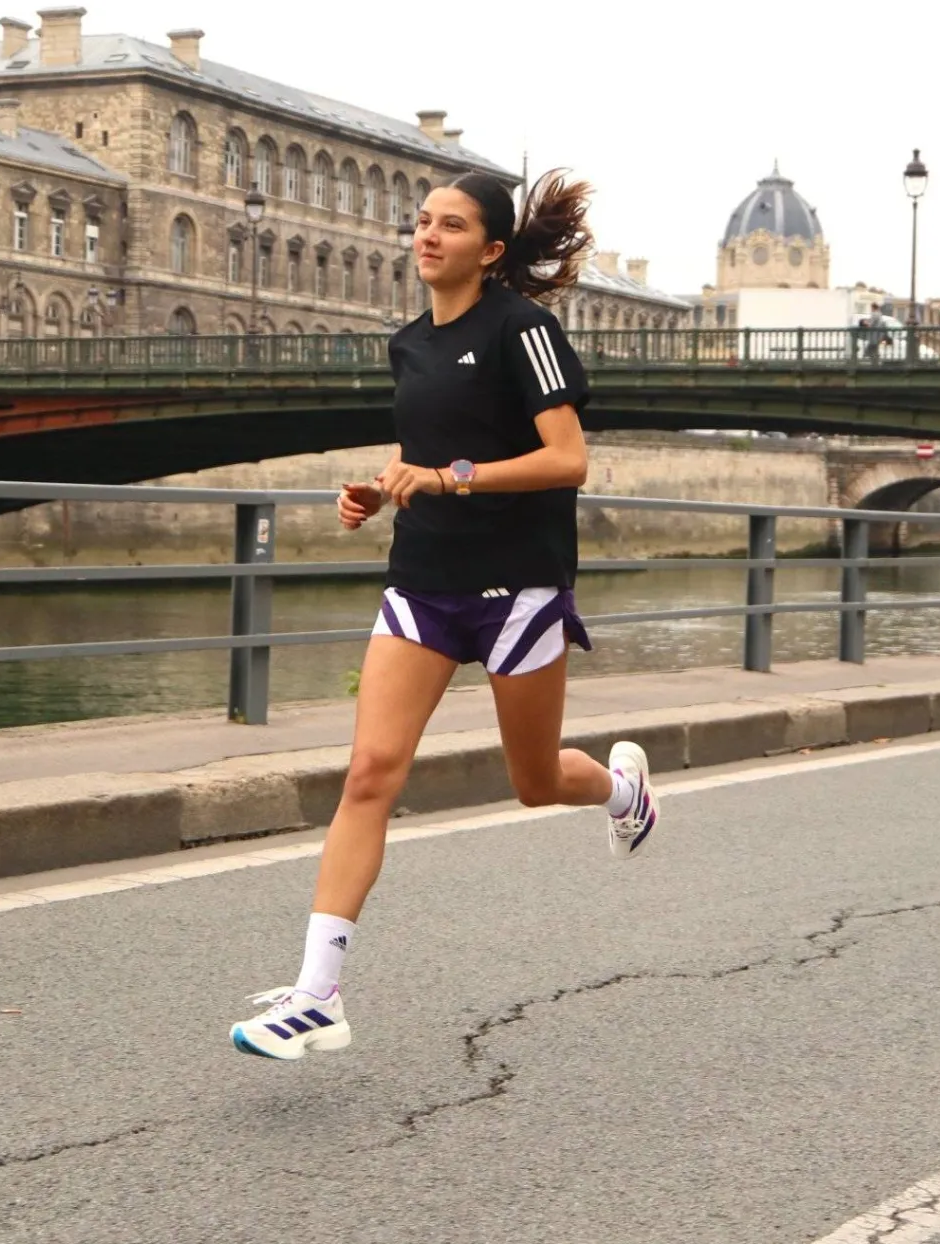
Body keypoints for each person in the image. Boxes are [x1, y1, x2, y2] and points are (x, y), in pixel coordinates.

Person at [229, 169, 661, 1061]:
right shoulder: (409, 343)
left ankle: (624, 793)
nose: (427, 236)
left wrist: (450, 478)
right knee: (369, 775)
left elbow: (568, 460)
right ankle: (317, 995)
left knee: (535, 780)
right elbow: (420, 453)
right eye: (422, 222)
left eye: (451, 226)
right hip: (422, 582)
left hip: (517, 586)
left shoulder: (524, 330)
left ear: (491, 250)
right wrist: (380, 489)